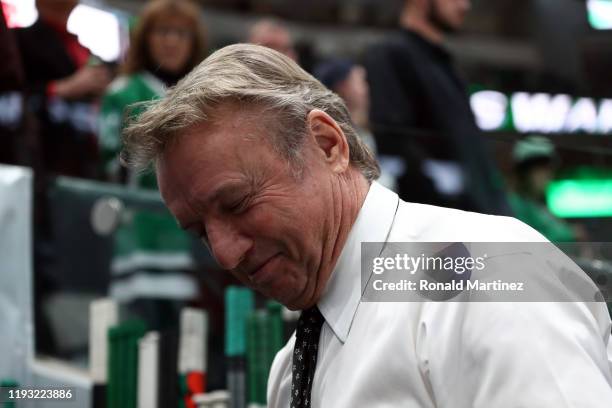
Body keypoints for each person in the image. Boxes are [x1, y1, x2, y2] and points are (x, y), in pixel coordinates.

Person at [122, 44, 612, 407]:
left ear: (327, 144)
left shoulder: (490, 273)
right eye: (200, 232)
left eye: (237, 203)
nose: (225, 254)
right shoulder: (289, 367)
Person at [98, 0, 207, 330]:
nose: (171, 41)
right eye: (163, 31)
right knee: (137, 337)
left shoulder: (204, 95)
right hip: (138, 236)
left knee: (188, 344)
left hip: (192, 239)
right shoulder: (123, 93)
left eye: (181, 33)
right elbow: (109, 162)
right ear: (145, 37)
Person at [365, 0, 511, 215]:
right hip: (437, 223)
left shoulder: (445, 65)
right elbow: (394, 140)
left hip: (476, 217)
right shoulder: (391, 54)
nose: (465, 6)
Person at [13, 0, 112, 179]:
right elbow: (12, 94)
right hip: (39, 158)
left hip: (82, 160)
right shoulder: (19, 39)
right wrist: (61, 89)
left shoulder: (81, 48)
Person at [509, 135, 586, 242]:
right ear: (524, 174)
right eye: (540, 169)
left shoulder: (539, 205)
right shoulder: (516, 205)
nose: (547, 175)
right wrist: (570, 234)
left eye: (548, 169)